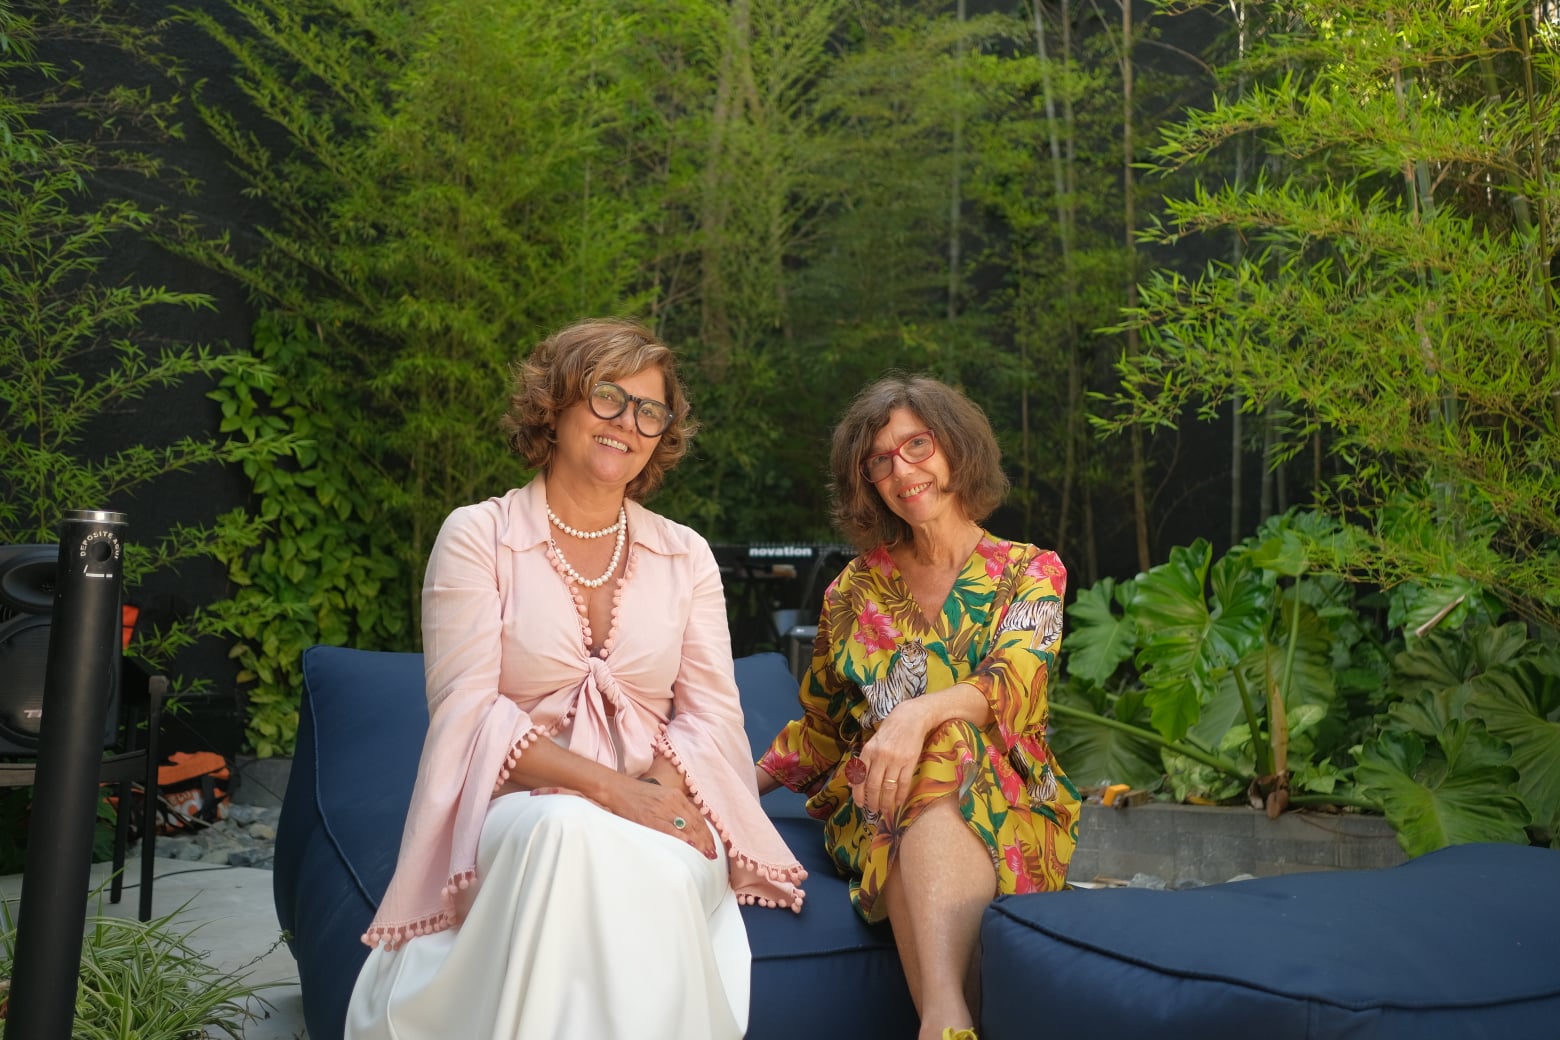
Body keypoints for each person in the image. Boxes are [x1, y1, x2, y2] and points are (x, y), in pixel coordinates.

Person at [346, 318, 806, 1040]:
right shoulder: (478, 536)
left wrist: (654, 793)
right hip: (521, 807)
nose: (628, 422)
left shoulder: (686, 555)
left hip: (664, 797)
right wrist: (608, 791)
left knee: (646, 861)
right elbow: (469, 712)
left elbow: (713, 717)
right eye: (608, 397)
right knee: (564, 832)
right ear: (554, 406)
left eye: (650, 410)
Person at [757, 375, 1079, 1040]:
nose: (902, 471)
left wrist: (915, 715)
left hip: (1012, 805)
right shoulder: (853, 591)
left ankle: (942, 1018)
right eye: (879, 461)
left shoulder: (1030, 571)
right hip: (877, 803)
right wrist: (723, 786)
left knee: (945, 742)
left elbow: (1013, 680)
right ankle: (946, 1019)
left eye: (917, 445)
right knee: (915, 780)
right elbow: (822, 730)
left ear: (956, 446)